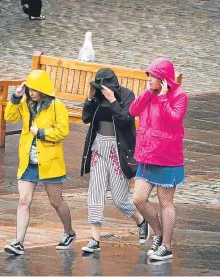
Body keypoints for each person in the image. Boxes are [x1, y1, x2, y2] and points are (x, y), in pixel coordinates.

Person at [4, 70, 75, 255]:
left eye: (34, 90)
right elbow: (9, 117)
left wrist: (42, 133)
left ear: (43, 90)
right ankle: (18, 242)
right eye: (29, 89)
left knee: (56, 201)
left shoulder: (57, 105)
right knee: (23, 201)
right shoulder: (25, 103)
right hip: (28, 162)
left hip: (50, 162)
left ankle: (69, 232)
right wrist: (16, 97)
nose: (31, 93)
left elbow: (63, 131)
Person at [80, 68, 149, 253]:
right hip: (98, 148)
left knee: (120, 199)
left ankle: (141, 221)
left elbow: (126, 120)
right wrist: (90, 98)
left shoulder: (126, 95)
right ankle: (94, 239)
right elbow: (86, 118)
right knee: (95, 193)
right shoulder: (96, 96)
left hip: (119, 150)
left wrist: (112, 100)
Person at [130, 57, 188, 261]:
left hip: (167, 157)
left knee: (166, 203)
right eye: (148, 75)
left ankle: (166, 246)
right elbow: (133, 110)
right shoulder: (149, 93)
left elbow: (174, 121)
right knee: (138, 199)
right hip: (147, 156)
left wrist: (163, 97)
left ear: (163, 79)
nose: (149, 79)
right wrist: (148, 92)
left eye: (153, 76)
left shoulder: (179, 96)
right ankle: (158, 232)